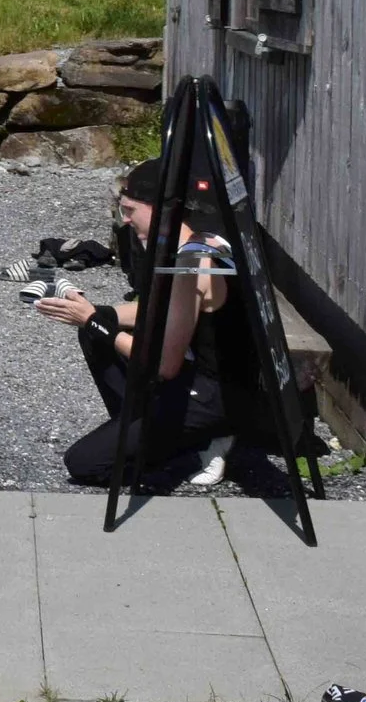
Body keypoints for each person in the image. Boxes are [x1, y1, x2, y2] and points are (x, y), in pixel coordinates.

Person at [37, 160, 237, 488]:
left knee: (84, 463)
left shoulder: (190, 265)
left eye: (130, 210)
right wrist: (100, 314)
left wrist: (94, 321)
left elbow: (164, 366)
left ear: (160, 209)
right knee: (95, 329)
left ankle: (193, 442)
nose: (125, 220)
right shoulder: (192, 240)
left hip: (211, 397)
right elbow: (160, 311)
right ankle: (142, 431)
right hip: (197, 374)